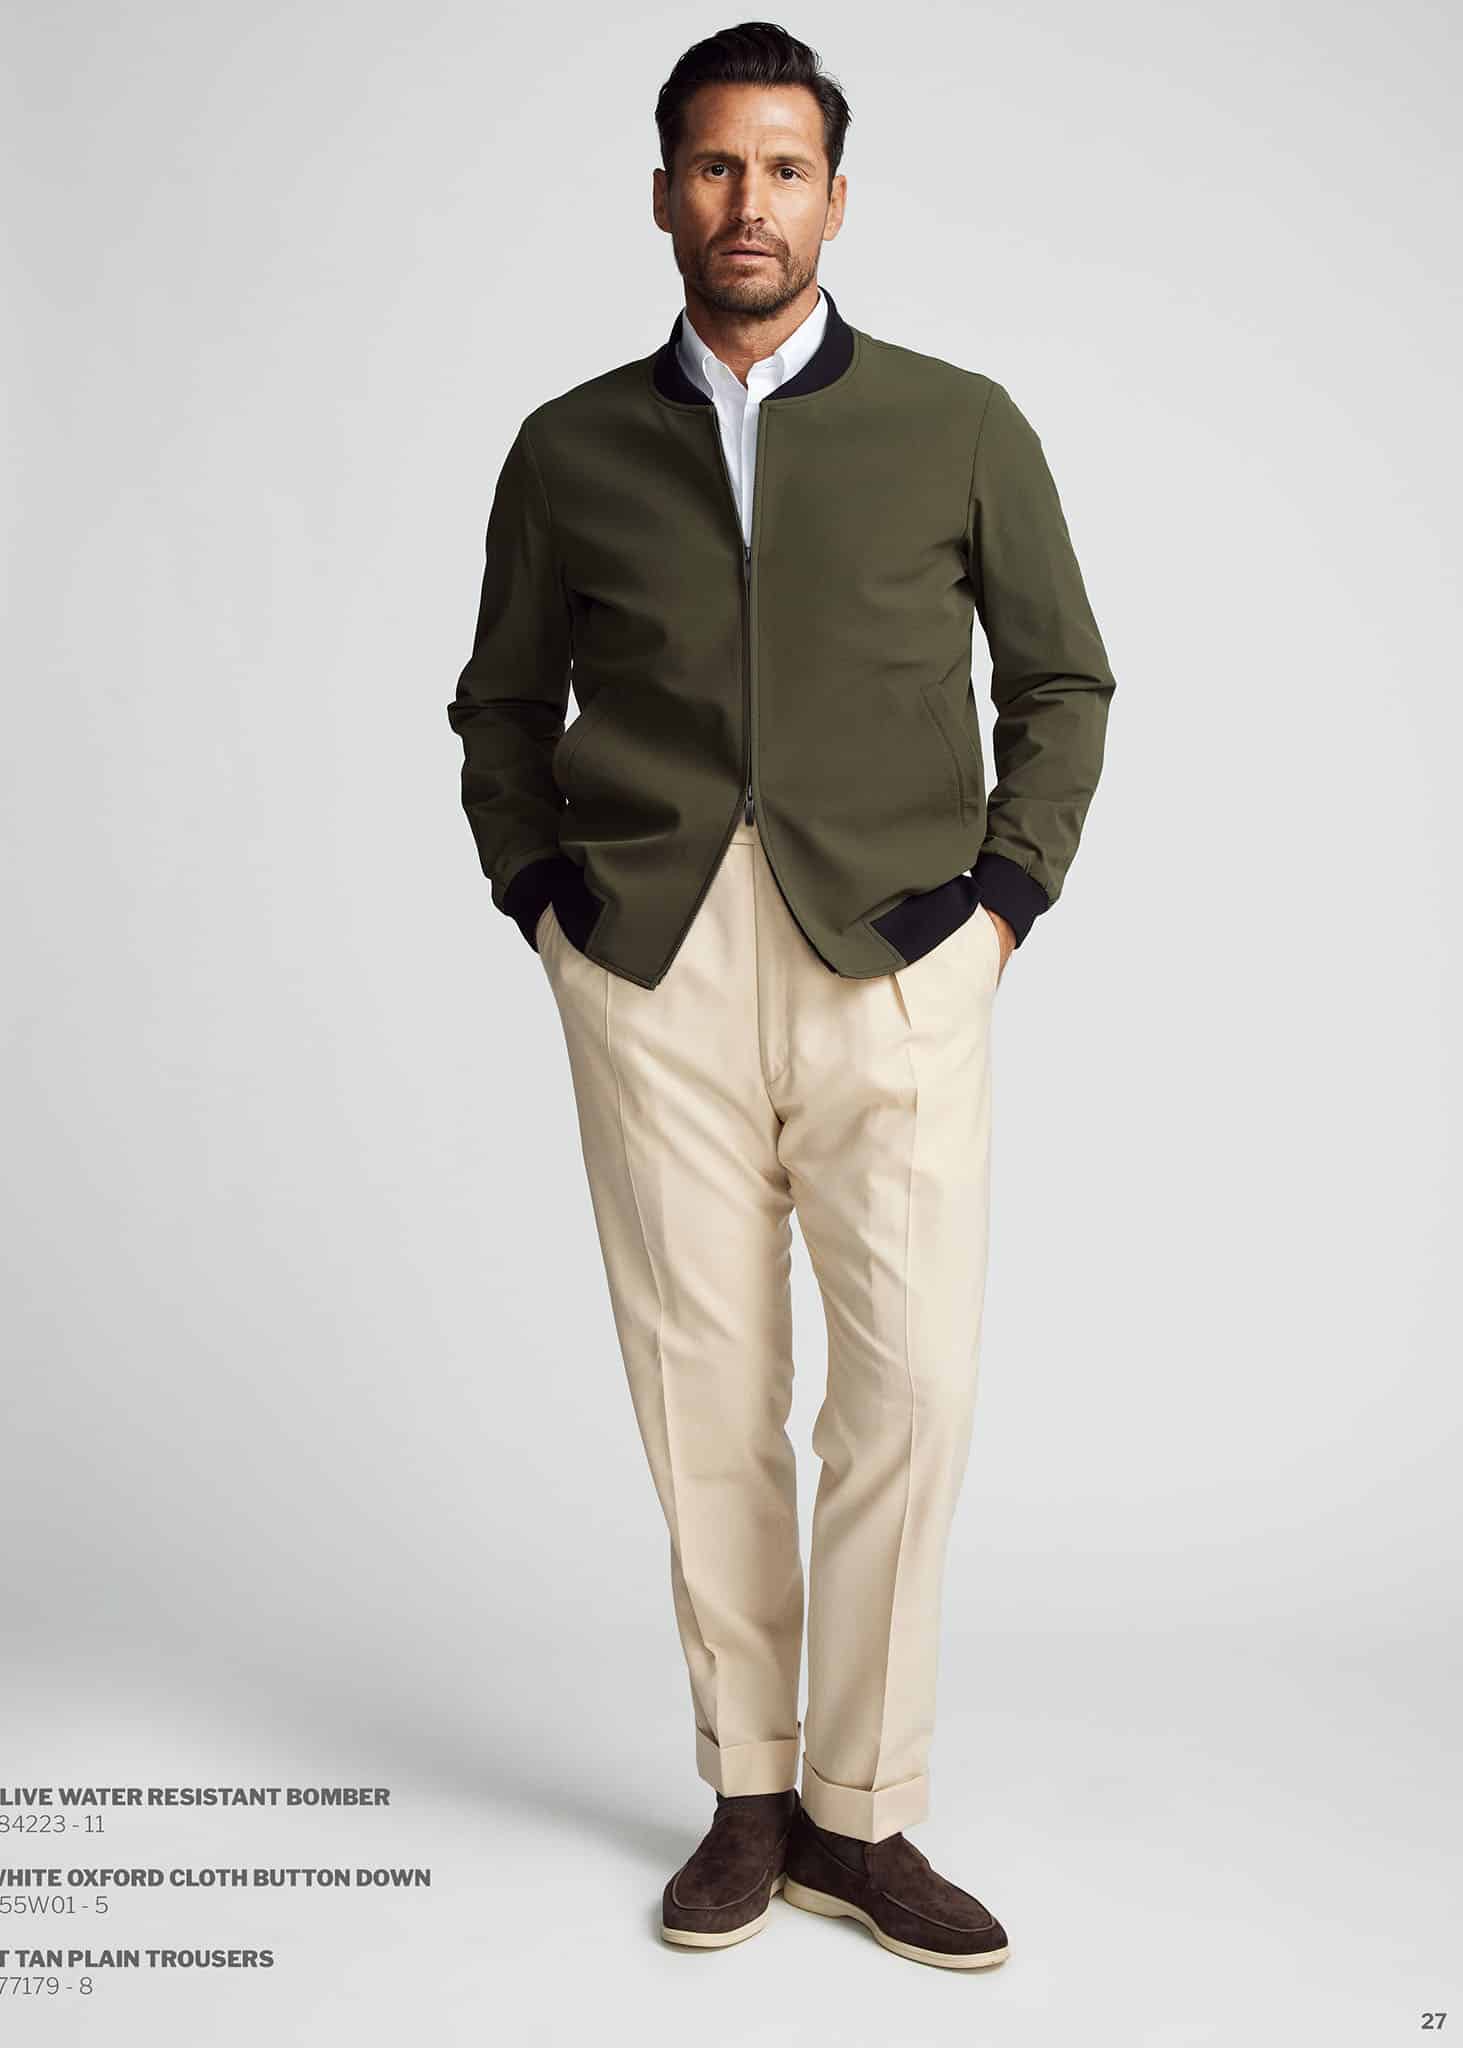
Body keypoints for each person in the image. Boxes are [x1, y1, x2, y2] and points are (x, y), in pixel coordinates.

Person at [446, 21, 1116, 1972]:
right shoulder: (569, 446)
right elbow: (501, 704)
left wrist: (1000, 907)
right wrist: (545, 905)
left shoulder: (958, 424)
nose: (751, 201)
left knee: (910, 1388)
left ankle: (861, 1810)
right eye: (716, 167)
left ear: (837, 196)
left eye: (786, 167)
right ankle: (749, 1793)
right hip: (650, 958)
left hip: (896, 953)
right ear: (665, 193)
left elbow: (1061, 682)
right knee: (706, 1391)